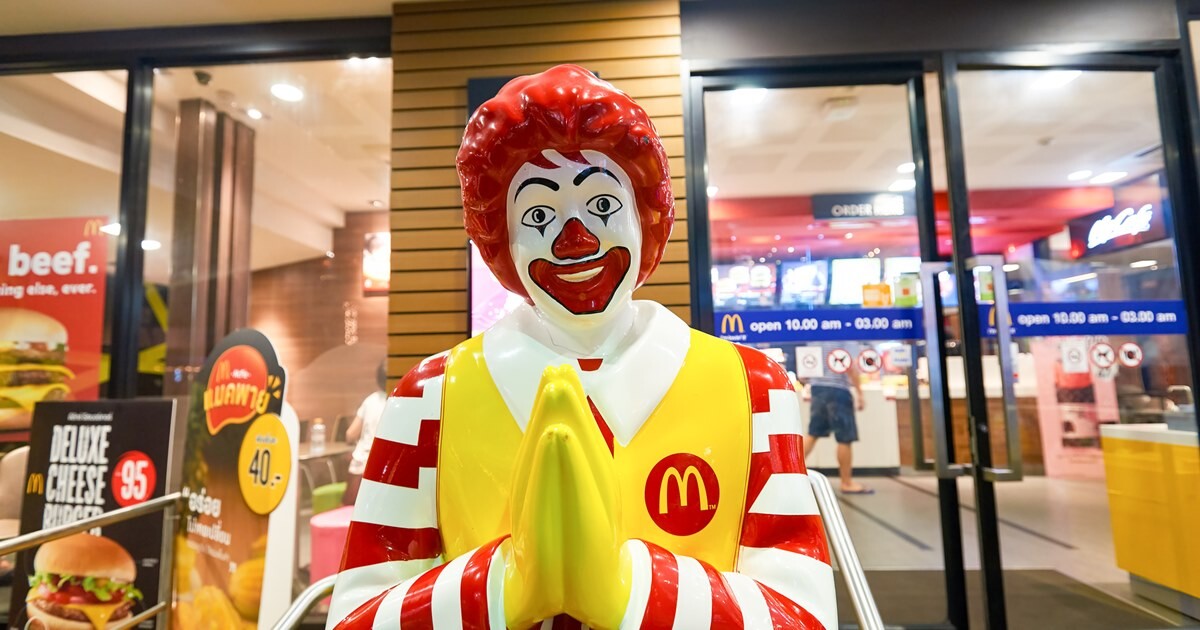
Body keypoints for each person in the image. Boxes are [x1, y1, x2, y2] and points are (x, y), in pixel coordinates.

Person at [326, 65, 834, 630]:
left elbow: (805, 614)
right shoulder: (429, 399)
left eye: (602, 205)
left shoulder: (754, 389)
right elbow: (356, 616)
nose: (576, 240)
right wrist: (502, 585)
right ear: (503, 240)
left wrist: (634, 589)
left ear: (644, 217)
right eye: (539, 215)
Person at [803, 341, 871, 494]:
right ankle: (846, 483)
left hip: (817, 388)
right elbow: (851, 366)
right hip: (839, 390)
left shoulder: (814, 336)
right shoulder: (845, 337)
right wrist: (860, 393)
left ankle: (789, 473)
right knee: (844, 438)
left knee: (813, 433)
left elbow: (806, 366)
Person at [342, 361, 388, 505]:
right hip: (383, 469)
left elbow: (350, 434)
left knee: (350, 509)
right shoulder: (398, 402)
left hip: (360, 466)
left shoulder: (370, 400)